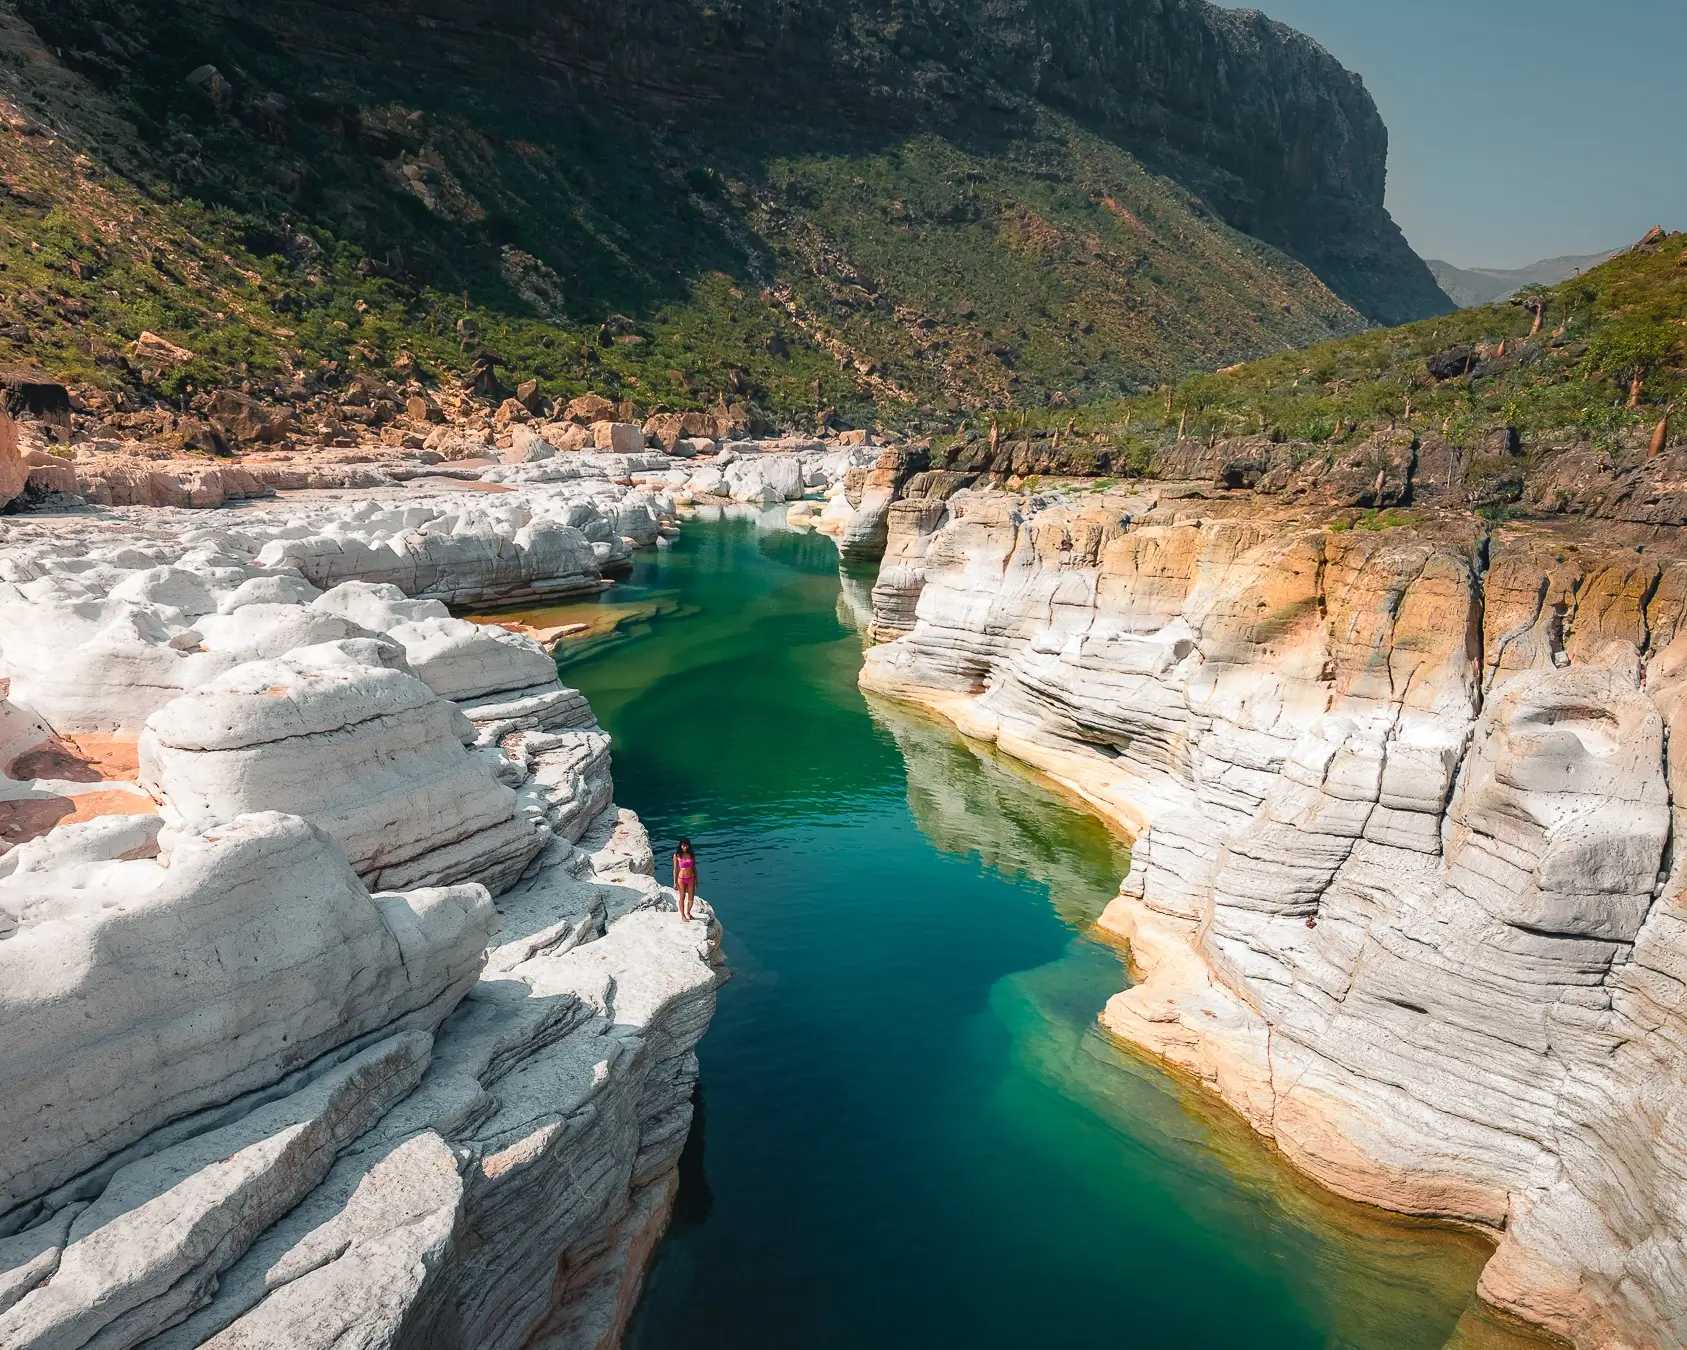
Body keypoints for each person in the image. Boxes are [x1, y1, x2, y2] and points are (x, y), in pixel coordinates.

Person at [673, 838, 699, 923]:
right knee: (682, 897)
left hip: (691, 878)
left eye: (686, 845)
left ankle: (688, 912)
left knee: (691, 898)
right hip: (681, 879)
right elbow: (675, 870)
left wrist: (697, 880)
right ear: (680, 845)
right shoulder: (677, 855)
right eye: (683, 845)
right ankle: (683, 915)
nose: (685, 847)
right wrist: (675, 882)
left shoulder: (691, 855)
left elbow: (694, 868)